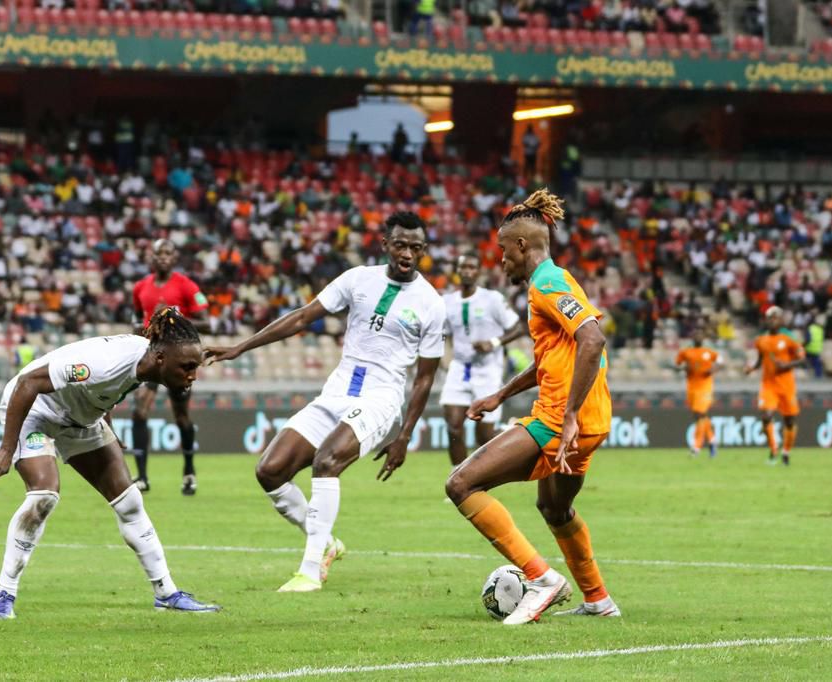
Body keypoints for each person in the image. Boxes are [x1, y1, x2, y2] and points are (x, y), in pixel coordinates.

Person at [206, 212, 445, 593]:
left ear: (424, 252)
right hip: (336, 391)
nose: (407, 254)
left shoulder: (432, 303)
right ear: (385, 244)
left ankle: (310, 569)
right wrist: (240, 347)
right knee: (270, 470)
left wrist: (404, 435)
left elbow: (426, 377)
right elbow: (303, 317)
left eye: (416, 248)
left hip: (380, 397)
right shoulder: (357, 279)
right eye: (400, 245)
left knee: (327, 462)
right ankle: (328, 542)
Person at [445, 189, 618, 625]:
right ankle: (598, 599)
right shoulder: (555, 281)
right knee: (555, 509)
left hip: (562, 419)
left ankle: (540, 579)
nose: (501, 260)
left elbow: (592, 339)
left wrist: (571, 413)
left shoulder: (548, 282)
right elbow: (553, 357)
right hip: (589, 422)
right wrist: (500, 395)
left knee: (461, 484)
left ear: (522, 245)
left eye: (503, 251)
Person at [0, 308, 220, 619]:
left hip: (82, 418)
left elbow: (106, 393)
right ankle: (3, 594)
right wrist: (6, 447)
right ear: (161, 358)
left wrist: (108, 426)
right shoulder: (100, 365)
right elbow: (29, 382)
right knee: (44, 495)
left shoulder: (145, 363)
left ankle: (166, 593)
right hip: (36, 411)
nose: (192, 375)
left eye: (195, 367)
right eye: (187, 367)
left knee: (130, 502)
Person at [129, 239, 210, 495]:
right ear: (151, 258)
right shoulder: (140, 287)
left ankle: (188, 471)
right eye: (158, 253)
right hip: (152, 357)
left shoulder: (186, 286)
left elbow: (207, 322)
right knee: (140, 410)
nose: (163, 257)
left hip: (178, 360)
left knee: (181, 417)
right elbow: (135, 319)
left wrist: (172, 317)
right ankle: (141, 477)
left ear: (174, 258)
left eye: (168, 253)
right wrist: (139, 330)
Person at [440, 253, 524, 467]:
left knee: (484, 437)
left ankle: (512, 430)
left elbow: (518, 327)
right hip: (459, 368)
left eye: (472, 267)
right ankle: (457, 480)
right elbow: (443, 334)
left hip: (488, 370)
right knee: (453, 426)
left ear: (478, 272)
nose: (467, 271)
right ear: (457, 272)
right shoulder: (447, 302)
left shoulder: (492, 299)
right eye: (463, 267)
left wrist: (494, 343)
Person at [745, 306, 805, 466]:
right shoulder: (761, 340)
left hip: (786, 386)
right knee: (766, 416)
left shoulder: (788, 339)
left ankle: (786, 451)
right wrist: (752, 368)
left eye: (775, 317)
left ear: (781, 321)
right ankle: (773, 449)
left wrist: (787, 365)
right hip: (768, 385)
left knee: (789, 421)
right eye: (770, 318)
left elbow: (801, 359)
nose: (772, 321)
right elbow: (760, 360)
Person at [675, 327, 723, 457]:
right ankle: (712, 440)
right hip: (691, 387)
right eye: (696, 335)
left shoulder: (709, 352)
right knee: (699, 415)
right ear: (692, 338)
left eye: (700, 335)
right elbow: (677, 365)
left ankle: (696, 447)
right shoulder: (686, 352)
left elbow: (721, 361)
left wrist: (713, 370)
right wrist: (684, 368)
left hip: (705, 387)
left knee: (700, 414)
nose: (698, 337)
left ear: (703, 338)